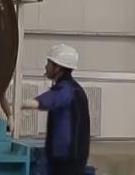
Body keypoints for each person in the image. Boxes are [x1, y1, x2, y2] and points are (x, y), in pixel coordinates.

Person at [21, 44, 90, 175]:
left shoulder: (67, 89)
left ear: (58, 68)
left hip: (66, 162)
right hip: (68, 160)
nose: (46, 67)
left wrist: (18, 105)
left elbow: (44, 102)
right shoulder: (73, 88)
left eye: (49, 63)